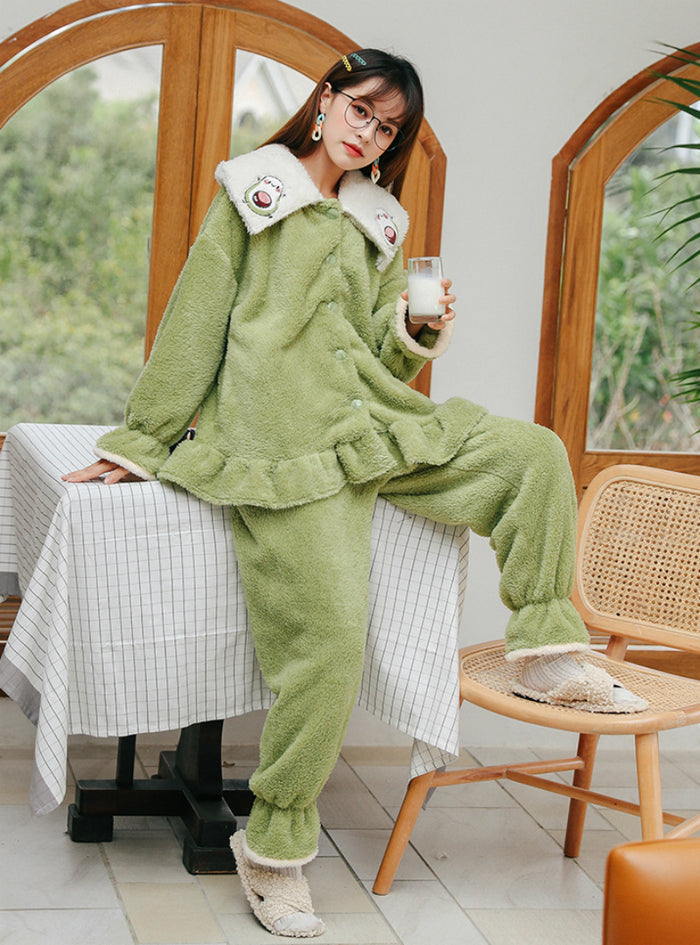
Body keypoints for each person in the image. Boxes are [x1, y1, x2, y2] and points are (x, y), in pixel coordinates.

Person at [63, 48, 646, 939]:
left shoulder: (379, 218)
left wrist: (414, 330)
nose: (368, 133)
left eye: (387, 128)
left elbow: (378, 356)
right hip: (282, 444)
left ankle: (545, 650)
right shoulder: (252, 193)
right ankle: (273, 849)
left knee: (532, 454)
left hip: (369, 422)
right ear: (326, 101)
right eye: (361, 111)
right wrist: (142, 440)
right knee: (332, 644)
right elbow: (194, 320)